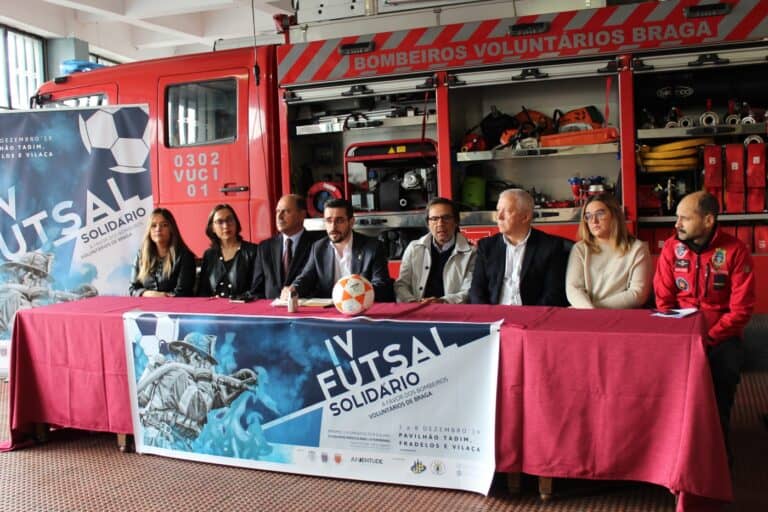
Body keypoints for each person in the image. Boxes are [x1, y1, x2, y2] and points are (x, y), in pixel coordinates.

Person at [654, 190, 755, 461]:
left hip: (721, 337)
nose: (677, 225)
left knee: (721, 382)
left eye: (684, 218)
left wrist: (710, 338)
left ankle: (718, 455)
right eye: (677, 218)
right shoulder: (670, 249)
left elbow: (741, 310)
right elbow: (664, 301)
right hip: (678, 335)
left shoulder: (736, 251)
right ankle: (668, 451)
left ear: (708, 220)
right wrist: (682, 336)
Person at [469, 188, 569, 306]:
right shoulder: (487, 246)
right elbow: (477, 290)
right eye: (498, 210)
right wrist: (488, 315)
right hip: (495, 315)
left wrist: (532, 317)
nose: (499, 217)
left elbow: (553, 294)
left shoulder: (550, 246)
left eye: (506, 211)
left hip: (533, 316)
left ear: (525, 217)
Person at [287, 198, 394, 301]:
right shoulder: (318, 248)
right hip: (329, 312)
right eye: (329, 221)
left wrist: (353, 292)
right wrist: (293, 289)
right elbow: (306, 279)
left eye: (339, 221)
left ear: (351, 222)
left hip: (362, 309)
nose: (333, 227)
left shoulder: (373, 247)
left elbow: (382, 287)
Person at [566, 193, 652, 308]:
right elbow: (574, 289)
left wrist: (595, 310)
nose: (593, 221)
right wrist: (589, 310)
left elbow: (637, 294)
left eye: (600, 214)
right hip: (586, 312)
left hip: (622, 316)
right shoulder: (580, 248)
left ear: (614, 215)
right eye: (588, 216)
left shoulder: (637, 248)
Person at [395, 197, 476, 304]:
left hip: (452, 313)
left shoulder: (472, 253)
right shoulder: (414, 248)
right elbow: (401, 284)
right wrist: (412, 302)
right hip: (416, 310)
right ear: (428, 223)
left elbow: (469, 291)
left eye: (446, 218)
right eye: (434, 219)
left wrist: (443, 302)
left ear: (456, 221)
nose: (440, 224)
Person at [250, 194, 323, 299]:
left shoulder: (317, 244)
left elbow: (320, 284)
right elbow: (257, 289)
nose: (279, 217)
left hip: (305, 309)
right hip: (273, 312)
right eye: (278, 211)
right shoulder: (265, 247)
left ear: (302, 214)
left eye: (286, 211)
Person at [129, 208, 196, 297]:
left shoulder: (185, 256)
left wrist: (162, 297)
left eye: (164, 225)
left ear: (172, 229)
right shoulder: (141, 255)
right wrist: (149, 294)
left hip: (175, 308)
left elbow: (183, 293)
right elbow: (133, 289)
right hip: (146, 307)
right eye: (153, 225)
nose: (158, 229)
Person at [196, 204, 258, 299]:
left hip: (243, 308)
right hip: (215, 310)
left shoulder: (252, 251)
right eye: (220, 222)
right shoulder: (209, 255)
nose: (226, 225)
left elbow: (257, 289)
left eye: (230, 220)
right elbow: (203, 291)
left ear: (236, 222)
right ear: (212, 228)